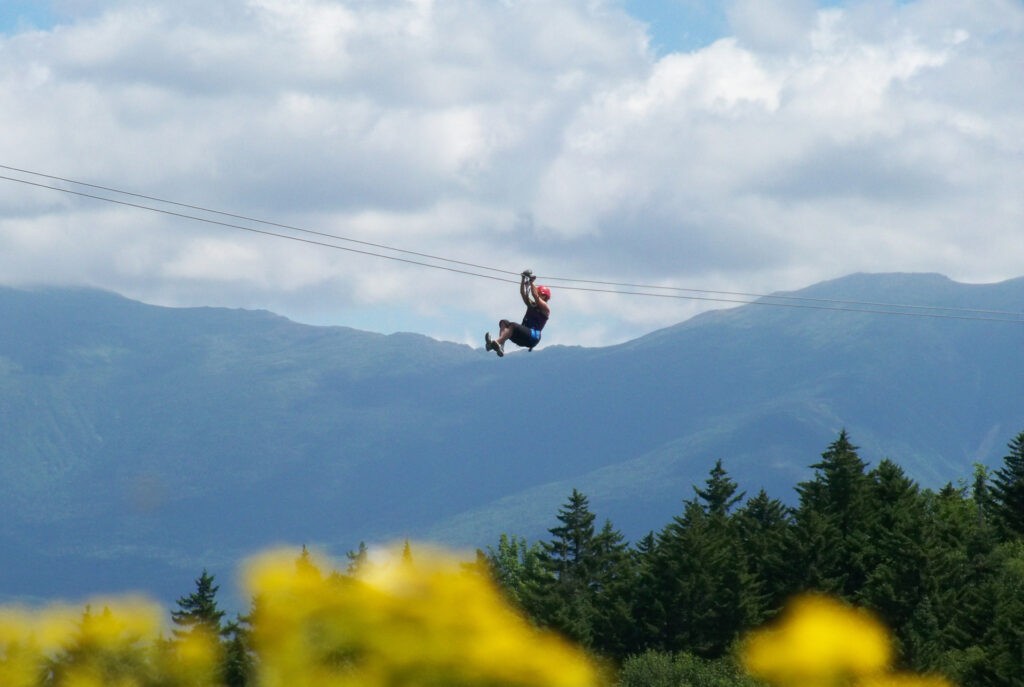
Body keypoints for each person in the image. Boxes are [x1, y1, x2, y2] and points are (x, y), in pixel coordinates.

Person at [485, 270, 551, 357]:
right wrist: (523, 279)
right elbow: (523, 293)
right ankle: (500, 345)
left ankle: (497, 343)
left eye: (540, 294)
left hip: (533, 338)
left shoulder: (546, 309)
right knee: (503, 322)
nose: (537, 295)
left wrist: (531, 282)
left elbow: (535, 295)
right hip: (523, 337)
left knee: (513, 326)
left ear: (545, 296)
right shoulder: (532, 305)